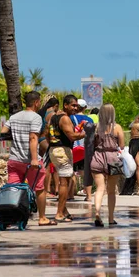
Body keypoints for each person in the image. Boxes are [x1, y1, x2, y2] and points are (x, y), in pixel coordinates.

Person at [0, 91, 56, 226]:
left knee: (13, 188)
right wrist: (35, 159)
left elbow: (3, 132)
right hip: (30, 161)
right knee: (39, 188)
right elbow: (33, 138)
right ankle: (42, 218)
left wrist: (17, 138)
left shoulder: (14, 117)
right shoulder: (35, 118)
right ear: (37, 102)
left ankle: (10, 217)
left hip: (14, 159)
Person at [45, 94, 85, 222]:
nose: (75, 108)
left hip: (54, 150)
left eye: (76, 106)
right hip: (62, 151)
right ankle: (59, 213)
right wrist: (85, 134)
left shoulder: (53, 117)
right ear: (65, 105)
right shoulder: (65, 119)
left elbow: (46, 133)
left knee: (65, 181)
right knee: (64, 183)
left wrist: (52, 144)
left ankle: (64, 211)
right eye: (73, 105)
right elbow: (72, 136)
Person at [89, 103, 125, 226]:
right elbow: (122, 146)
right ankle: (110, 218)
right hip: (113, 159)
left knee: (99, 189)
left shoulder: (96, 127)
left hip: (98, 157)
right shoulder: (117, 127)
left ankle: (97, 213)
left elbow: (91, 144)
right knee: (111, 191)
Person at [71, 99, 93, 201]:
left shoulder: (71, 118)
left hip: (75, 147)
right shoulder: (89, 119)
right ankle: (88, 195)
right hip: (86, 148)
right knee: (86, 172)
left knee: (73, 171)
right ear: (84, 108)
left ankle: (71, 194)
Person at [38, 96, 60, 196]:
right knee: (51, 166)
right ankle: (47, 190)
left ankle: (45, 189)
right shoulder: (52, 114)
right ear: (55, 105)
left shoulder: (42, 112)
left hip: (40, 140)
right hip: (47, 141)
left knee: (44, 165)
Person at [120, 116, 139, 196]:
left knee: (137, 166)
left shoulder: (136, 125)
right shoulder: (137, 125)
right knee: (138, 165)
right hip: (135, 142)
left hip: (136, 142)